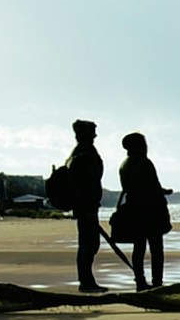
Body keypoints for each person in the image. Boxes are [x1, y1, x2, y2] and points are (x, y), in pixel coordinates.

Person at [46, 119, 108, 293]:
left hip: (88, 205)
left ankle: (87, 280)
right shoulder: (82, 154)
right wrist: (86, 206)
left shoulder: (82, 152)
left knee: (90, 243)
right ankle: (86, 282)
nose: (95, 135)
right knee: (89, 244)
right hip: (86, 206)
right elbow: (81, 184)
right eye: (92, 132)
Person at [108, 131, 171, 292]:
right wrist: (164, 196)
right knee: (156, 248)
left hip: (133, 208)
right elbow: (153, 186)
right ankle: (157, 283)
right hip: (149, 210)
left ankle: (140, 282)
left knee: (139, 247)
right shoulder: (145, 162)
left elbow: (131, 187)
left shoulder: (124, 164)